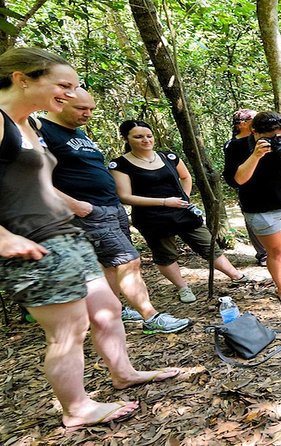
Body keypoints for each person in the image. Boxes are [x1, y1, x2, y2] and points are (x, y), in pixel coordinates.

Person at [0, 47, 179, 428]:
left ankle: (123, 372)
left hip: (67, 234)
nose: (69, 93)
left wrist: (73, 206)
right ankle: (76, 409)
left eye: (74, 85)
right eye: (62, 84)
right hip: (33, 244)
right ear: (22, 78)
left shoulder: (27, 125)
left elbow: (37, 181)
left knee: (108, 311)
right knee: (68, 331)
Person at [40, 88, 190, 333]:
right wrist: (75, 205)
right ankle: (150, 317)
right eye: (81, 109)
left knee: (110, 265)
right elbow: (33, 178)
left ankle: (114, 309)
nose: (87, 114)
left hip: (110, 207)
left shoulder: (77, 133)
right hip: (88, 212)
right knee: (129, 261)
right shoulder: (41, 130)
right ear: (57, 102)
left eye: (91, 109)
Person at [109, 120, 251, 303]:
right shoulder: (120, 165)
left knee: (207, 244)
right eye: (138, 137)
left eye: (149, 136)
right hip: (151, 217)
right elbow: (125, 196)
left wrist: (185, 197)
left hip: (182, 211)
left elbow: (185, 177)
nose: (146, 140)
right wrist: (164, 202)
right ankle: (183, 288)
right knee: (165, 254)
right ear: (126, 138)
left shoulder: (168, 157)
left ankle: (236, 275)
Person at [223, 111, 281, 303]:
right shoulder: (237, 147)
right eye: (270, 137)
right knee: (276, 251)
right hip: (261, 209)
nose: (275, 140)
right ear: (254, 132)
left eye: (279, 135)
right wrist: (256, 155)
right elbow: (237, 180)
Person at [225, 109, 268, 266]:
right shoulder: (232, 145)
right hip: (248, 190)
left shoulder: (261, 138)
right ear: (243, 124)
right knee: (254, 221)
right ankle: (263, 254)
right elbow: (233, 174)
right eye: (253, 119)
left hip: (269, 187)